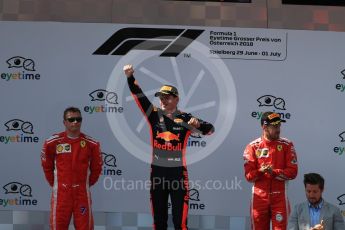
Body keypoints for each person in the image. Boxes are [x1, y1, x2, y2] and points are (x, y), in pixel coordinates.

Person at [123, 64, 214, 230]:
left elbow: (210, 130)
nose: (163, 100)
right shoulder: (153, 115)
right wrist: (130, 77)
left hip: (178, 173)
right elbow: (139, 96)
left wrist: (198, 124)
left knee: (180, 223)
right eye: (161, 97)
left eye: (167, 97)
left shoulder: (186, 118)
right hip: (157, 173)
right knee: (159, 222)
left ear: (177, 99)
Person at [41, 107, 102, 230]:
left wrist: (84, 185)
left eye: (78, 119)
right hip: (61, 195)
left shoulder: (92, 144)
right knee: (58, 227)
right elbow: (47, 166)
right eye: (71, 119)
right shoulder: (52, 142)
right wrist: (57, 184)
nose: (75, 122)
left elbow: (97, 168)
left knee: (85, 227)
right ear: (64, 122)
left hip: (81, 195)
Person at [243, 111, 298, 230]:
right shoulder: (252, 146)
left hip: (280, 198)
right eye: (274, 126)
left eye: (279, 126)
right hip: (259, 198)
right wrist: (261, 171)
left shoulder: (287, 145)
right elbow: (248, 176)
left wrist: (274, 172)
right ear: (264, 127)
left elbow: (293, 172)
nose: (278, 129)